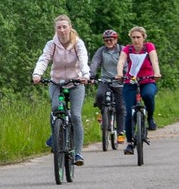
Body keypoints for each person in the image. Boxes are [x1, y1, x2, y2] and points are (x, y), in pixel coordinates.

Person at [32, 15, 90, 166]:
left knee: (76, 116)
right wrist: (37, 74)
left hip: (76, 83)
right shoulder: (52, 44)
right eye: (59, 27)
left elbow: (83, 59)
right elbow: (44, 59)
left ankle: (77, 153)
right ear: (55, 29)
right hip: (57, 82)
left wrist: (85, 75)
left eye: (65, 27)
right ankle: (56, 137)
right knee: (54, 108)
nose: (62, 30)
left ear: (70, 27)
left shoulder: (78, 43)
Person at [115, 26, 161, 155]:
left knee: (148, 95)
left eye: (138, 37)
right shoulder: (127, 49)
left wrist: (156, 73)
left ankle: (150, 118)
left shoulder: (149, 47)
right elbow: (121, 61)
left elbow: (154, 60)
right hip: (131, 81)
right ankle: (130, 143)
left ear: (143, 38)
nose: (136, 40)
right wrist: (119, 74)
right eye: (133, 37)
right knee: (129, 113)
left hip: (147, 80)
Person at [89, 29, 125, 144]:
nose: (109, 42)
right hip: (105, 80)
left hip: (119, 81)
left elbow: (127, 63)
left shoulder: (122, 50)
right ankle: (102, 111)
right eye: (106, 40)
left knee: (120, 107)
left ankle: (120, 132)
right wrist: (91, 75)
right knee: (99, 96)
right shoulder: (101, 51)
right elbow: (95, 62)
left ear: (116, 40)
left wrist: (124, 74)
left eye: (111, 40)